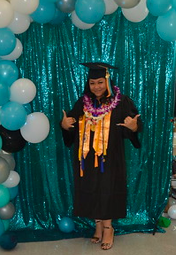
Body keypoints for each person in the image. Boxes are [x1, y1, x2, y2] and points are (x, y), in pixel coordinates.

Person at [61, 63, 142, 250]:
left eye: (100, 82)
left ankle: (108, 228)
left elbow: (136, 123)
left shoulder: (121, 102)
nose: (96, 86)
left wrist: (133, 127)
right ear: (87, 84)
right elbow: (70, 124)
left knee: (107, 189)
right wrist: (65, 125)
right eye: (92, 83)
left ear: (107, 81)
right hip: (87, 158)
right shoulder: (82, 103)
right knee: (91, 188)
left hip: (110, 158)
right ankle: (97, 225)